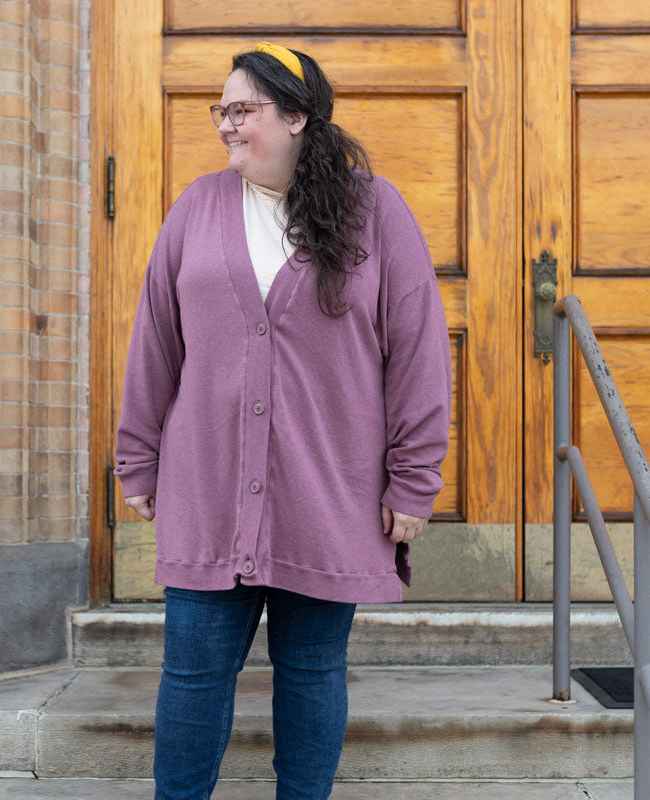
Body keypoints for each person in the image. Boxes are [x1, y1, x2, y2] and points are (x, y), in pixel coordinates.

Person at [114, 42, 452, 800]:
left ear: (297, 116)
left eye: (243, 110)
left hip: (327, 489)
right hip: (209, 487)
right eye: (221, 111)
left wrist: (414, 477)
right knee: (193, 673)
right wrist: (136, 457)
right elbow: (155, 344)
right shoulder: (196, 207)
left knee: (311, 671)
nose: (226, 126)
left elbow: (419, 352)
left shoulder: (375, 211)